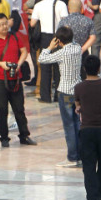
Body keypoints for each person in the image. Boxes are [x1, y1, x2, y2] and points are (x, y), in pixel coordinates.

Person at [0, 13, 35, 148]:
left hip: (16, 79)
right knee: (2, 110)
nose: (5, 27)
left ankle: (24, 136)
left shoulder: (15, 36)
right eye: (1, 25)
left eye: (6, 23)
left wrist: (18, 64)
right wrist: (0, 64)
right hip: (0, 80)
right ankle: (4, 138)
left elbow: (24, 51)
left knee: (19, 109)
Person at [72, 55, 101, 200]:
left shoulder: (79, 87)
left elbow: (78, 104)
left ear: (84, 69)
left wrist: (79, 107)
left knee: (88, 164)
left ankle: (92, 196)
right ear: (99, 68)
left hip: (87, 129)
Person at [38, 26, 82, 165]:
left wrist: (50, 46)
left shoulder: (62, 53)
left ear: (59, 40)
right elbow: (72, 41)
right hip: (78, 91)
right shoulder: (78, 48)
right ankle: (80, 155)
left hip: (65, 91)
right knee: (78, 123)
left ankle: (72, 157)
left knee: (69, 126)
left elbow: (42, 59)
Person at [31, 0, 68, 103]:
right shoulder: (61, 4)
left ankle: (45, 96)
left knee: (45, 67)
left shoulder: (38, 5)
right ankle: (58, 95)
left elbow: (32, 23)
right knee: (58, 67)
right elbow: (66, 23)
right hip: (58, 37)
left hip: (44, 38)